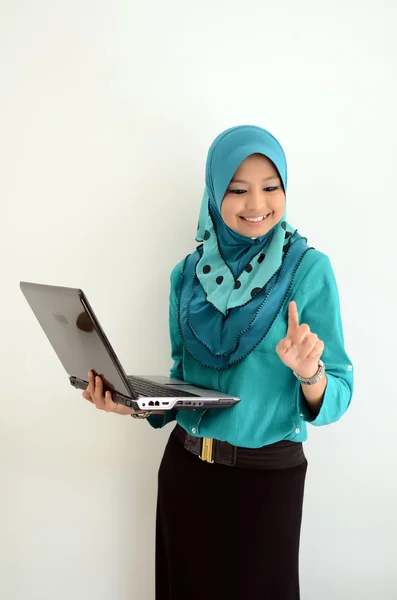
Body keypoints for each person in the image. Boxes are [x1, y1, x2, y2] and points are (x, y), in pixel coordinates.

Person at [83, 125, 353, 600]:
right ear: (214, 191)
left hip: (266, 480)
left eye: (271, 187)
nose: (257, 204)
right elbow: (184, 386)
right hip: (187, 472)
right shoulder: (187, 274)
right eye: (237, 189)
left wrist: (309, 373)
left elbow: (338, 395)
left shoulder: (309, 270)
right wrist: (135, 403)